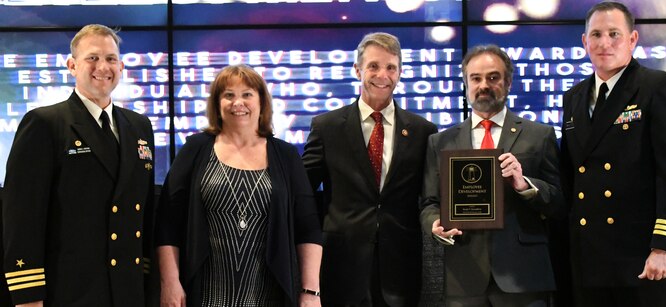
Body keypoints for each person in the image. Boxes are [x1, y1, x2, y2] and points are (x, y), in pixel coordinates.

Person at [2, 24, 156, 306]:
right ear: (72, 66)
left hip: (128, 290)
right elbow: (22, 217)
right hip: (71, 292)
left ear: (121, 66)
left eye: (111, 58)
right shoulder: (46, 124)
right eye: (92, 58)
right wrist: (28, 296)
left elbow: (143, 215)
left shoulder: (139, 126)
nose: (103, 67)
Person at [560, 2, 666, 306]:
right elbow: (571, 179)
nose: (604, 43)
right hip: (590, 262)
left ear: (633, 39)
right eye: (596, 34)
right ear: (585, 42)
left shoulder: (658, 87)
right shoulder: (573, 98)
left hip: (646, 260)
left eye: (614, 34)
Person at [155, 64, 322, 307]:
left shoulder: (285, 155)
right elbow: (168, 224)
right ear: (217, 104)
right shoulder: (195, 149)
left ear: (262, 102)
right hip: (205, 293)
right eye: (229, 95)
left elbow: (307, 228)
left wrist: (310, 292)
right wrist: (169, 282)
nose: (238, 103)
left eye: (247, 95)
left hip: (270, 293)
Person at [420, 45, 563, 306]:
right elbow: (429, 203)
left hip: (524, 276)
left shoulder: (539, 135)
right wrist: (435, 224)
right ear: (466, 84)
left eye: (493, 77)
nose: (484, 84)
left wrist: (524, 184)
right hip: (464, 276)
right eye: (475, 78)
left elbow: (559, 202)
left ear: (508, 82)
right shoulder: (440, 142)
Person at [302, 32, 437, 306]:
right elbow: (303, 192)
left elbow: (431, 195)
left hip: (401, 267)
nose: (382, 75)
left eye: (391, 67)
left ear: (400, 72)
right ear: (357, 70)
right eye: (373, 66)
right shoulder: (326, 127)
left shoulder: (424, 131)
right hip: (341, 264)